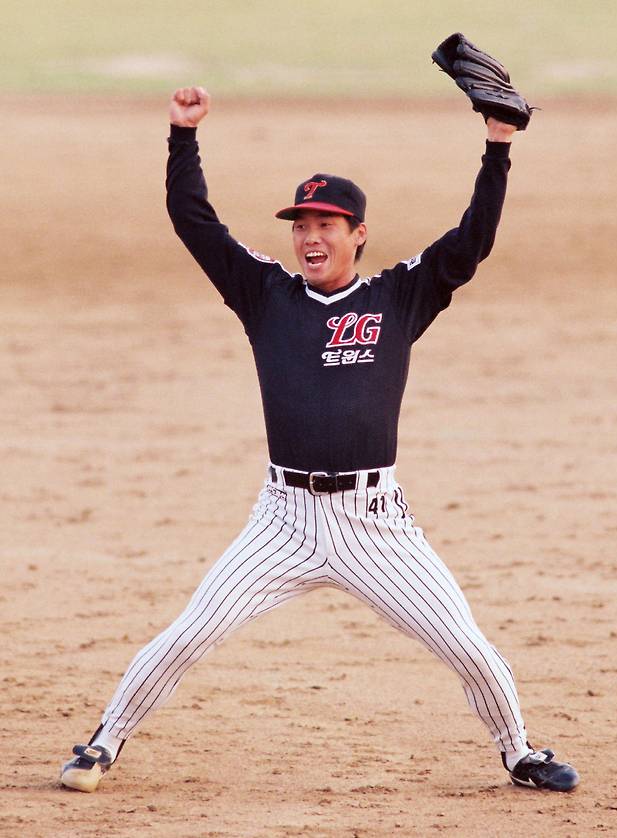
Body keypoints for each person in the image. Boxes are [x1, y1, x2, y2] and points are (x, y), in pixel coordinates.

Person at [61, 87, 579, 794]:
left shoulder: (397, 297)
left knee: (465, 644)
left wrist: (498, 145)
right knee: (189, 633)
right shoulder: (266, 294)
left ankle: (518, 751)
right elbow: (195, 222)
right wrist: (183, 136)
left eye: (326, 224)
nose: (310, 236)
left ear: (358, 233)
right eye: (301, 223)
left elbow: (471, 242)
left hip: (376, 523)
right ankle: (103, 742)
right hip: (282, 520)